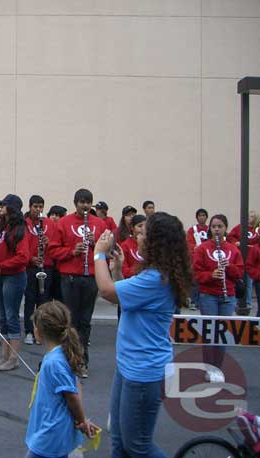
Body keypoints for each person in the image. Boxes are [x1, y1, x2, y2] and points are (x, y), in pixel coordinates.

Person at [94, 212, 192, 458]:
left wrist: (98, 253)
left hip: (143, 372)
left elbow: (106, 291)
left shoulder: (155, 278)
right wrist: (117, 272)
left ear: (156, 242)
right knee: (118, 439)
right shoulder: (154, 274)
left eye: (143, 233)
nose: (137, 236)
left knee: (137, 446)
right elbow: (127, 300)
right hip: (129, 365)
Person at [25, 301, 98, 458]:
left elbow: (72, 396)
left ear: (39, 332)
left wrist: (82, 420)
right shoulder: (61, 353)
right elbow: (75, 385)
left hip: (51, 433)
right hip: (55, 429)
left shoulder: (53, 362)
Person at [47, 189, 106, 378]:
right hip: (70, 277)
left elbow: (109, 248)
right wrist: (72, 252)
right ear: (75, 203)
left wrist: (95, 241)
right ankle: (69, 359)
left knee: (85, 321)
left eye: (88, 202)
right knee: (70, 321)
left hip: (91, 277)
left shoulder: (99, 223)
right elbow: (53, 250)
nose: (85, 205)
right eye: (82, 202)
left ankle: (82, 361)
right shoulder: (64, 223)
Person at [194, 214, 243, 383]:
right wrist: (211, 275)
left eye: (220, 226)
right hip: (208, 295)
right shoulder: (203, 248)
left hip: (227, 295)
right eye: (213, 226)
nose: (216, 229)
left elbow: (240, 273)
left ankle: (218, 369)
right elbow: (196, 273)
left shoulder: (232, 249)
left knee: (222, 335)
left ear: (225, 228)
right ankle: (209, 368)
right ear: (210, 228)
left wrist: (229, 268)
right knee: (209, 334)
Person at [0, 194, 30, 371]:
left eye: (4, 205)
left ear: (12, 208)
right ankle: (4, 355)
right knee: (3, 316)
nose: (0, 208)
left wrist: (3, 266)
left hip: (12, 276)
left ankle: (13, 357)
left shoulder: (20, 229)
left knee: (11, 316)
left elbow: (24, 257)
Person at [23, 195, 55, 345]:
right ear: (30, 207)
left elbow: (55, 244)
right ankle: (29, 331)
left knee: (43, 301)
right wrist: (31, 258)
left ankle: (41, 331)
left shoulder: (49, 223)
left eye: (40, 207)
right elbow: (22, 245)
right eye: (35, 206)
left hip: (46, 266)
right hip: (30, 267)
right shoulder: (25, 223)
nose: (38, 209)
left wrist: (48, 242)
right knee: (30, 299)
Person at [227, 210, 259, 309]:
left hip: (252, 259)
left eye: (252, 216)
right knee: (239, 281)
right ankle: (237, 302)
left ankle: (248, 302)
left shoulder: (257, 230)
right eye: (249, 216)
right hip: (240, 257)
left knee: (249, 283)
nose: (250, 218)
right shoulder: (239, 227)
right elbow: (230, 236)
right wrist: (235, 242)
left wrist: (252, 246)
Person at [186, 208, 209, 311]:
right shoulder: (192, 230)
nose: (202, 217)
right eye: (200, 215)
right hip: (195, 257)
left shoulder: (209, 229)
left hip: (206, 257)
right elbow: (189, 242)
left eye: (204, 215)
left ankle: (202, 302)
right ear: (196, 217)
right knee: (194, 281)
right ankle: (194, 301)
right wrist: (194, 248)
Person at [120, 215, 146, 279]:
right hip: (133, 282)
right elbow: (124, 271)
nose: (143, 229)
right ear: (132, 228)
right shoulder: (125, 245)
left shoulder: (151, 243)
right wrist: (141, 271)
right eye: (140, 226)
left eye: (146, 226)